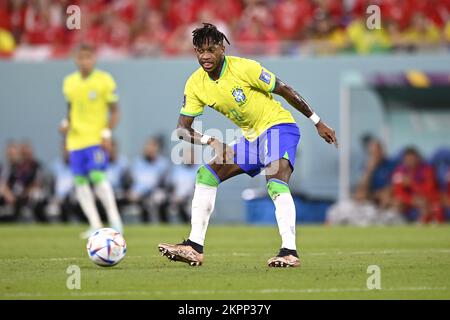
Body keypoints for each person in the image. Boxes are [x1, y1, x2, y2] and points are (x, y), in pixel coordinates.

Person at [158, 23, 337, 268]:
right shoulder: (195, 83)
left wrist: (318, 122)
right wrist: (211, 140)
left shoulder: (245, 68)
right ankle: (194, 246)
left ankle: (289, 252)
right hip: (251, 137)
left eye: (211, 49)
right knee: (206, 174)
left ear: (222, 48)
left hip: (278, 126)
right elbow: (182, 129)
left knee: (275, 181)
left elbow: (284, 89)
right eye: (200, 51)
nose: (205, 56)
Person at [60, 43, 123, 238]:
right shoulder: (69, 82)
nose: (84, 61)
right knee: (80, 182)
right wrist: (65, 123)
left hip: (95, 138)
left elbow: (115, 112)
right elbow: (70, 110)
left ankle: (115, 222)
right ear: (75, 59)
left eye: (88, 57)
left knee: (97, 177)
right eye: (81, 58)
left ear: (94, 59)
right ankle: (95, 224)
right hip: (75, 140)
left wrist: (106, 134)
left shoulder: (104, 80)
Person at [392, 147, 444, 224]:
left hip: (425, 198)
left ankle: (425, 222)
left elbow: (430, 189)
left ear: (418, 158)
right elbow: (398, 192)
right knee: (397, 201)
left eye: (412, 159)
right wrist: (412, 200)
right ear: (404, 160)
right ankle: (398, 221)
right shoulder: (399, 171)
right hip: (411, 199)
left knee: (427, 203)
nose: (410, 162)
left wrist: (412, 184)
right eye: (408, 159)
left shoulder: (427, 169)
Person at [128, 137, 170, 222]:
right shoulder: (137, 163)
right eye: (148, 146)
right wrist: (132, 192)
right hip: (138, 194)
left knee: (159, 198)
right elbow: (131, 181)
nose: (150, 149)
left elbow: (165, 184)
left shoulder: (163, 164)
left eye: (153, 146)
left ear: (157, 148)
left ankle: (164, 225)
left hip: (155, 193)